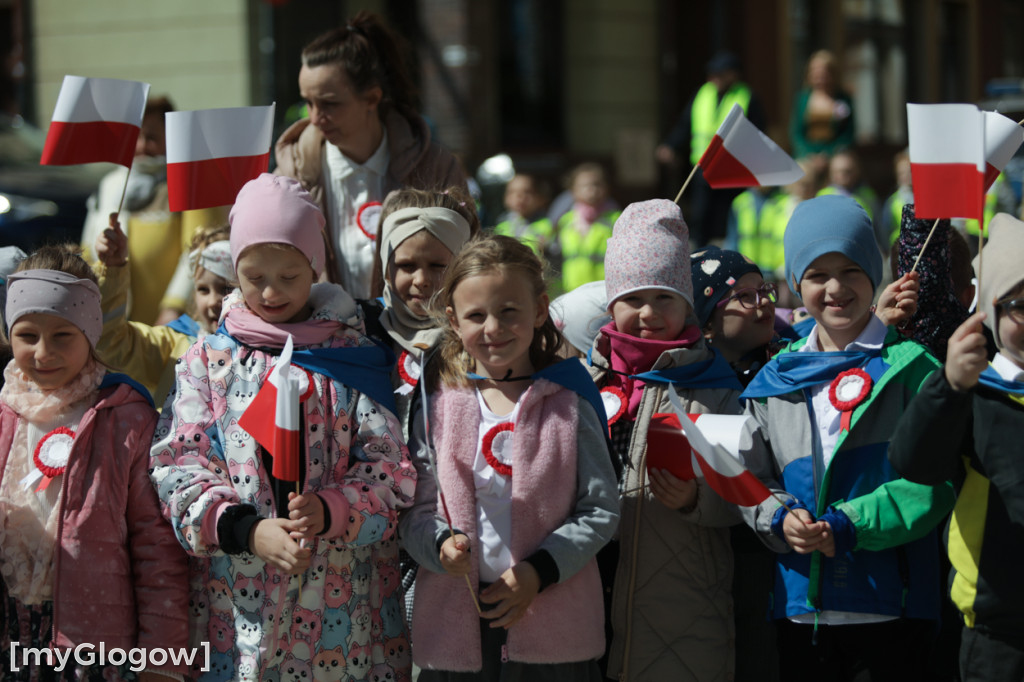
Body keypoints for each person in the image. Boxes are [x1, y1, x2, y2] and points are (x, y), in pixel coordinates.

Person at [150, 174, 416, 680]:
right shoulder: (208, 360)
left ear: (314, 266)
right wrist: (244, 530)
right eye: (253, 276)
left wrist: (331, 509)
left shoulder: (350, 356)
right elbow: (178, 463)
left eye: (289, 276)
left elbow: (391, 469)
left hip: (342, 616)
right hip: (237, 612)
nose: (270, 292)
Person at [738, 195, 954, 681]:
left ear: (873, 275)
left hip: (891, 607)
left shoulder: (914, 370)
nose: (835, 288)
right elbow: (748, 474)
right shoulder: (777, 376)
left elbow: (937, 480)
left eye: (851, 271)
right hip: (801, 608)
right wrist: (778, 516)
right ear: (795, 283)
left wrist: (852, 523)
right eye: (817, 275)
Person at [400, 235, 619, 680]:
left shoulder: (569, 401)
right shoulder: (438, 404)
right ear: (453, 321)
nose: (493, 328)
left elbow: (600, 508)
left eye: (509, 311)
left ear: (539, 310)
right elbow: (415, 509)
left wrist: (540, 571)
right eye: (476, 315)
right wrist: (439, 546)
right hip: (455, 632)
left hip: (553, 634)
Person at [0, 246, 188, 681]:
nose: (43, 352)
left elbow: (157, 548)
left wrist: (164, 662)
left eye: (62, 335)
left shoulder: (129, 419)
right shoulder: (4, 416)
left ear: (91, 331)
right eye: (27, 335)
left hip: (94, 650)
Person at [586, 200, 744, 681]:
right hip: (591, 588)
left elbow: (746, 493)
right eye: (634, 299)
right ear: (612, 303)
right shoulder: (586, 380)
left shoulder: (714, 385)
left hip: (681, 603)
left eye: (665, 298)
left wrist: (700, 499)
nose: (649, 313)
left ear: (688, 303)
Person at [888, 213, 1024, 682]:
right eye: (1019, 306)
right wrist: (949, 385)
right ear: (990, 311)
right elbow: (913, 461)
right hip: (998, 629)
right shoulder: (976, 392)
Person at [276, 11, 467, 298]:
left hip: (421, 340)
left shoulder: (436, 168)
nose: (315, 118)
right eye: (308, 102)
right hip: (323, 340)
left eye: (329, 104)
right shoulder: (290, 176)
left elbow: (464, 265)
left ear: (372, 99)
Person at [80, 95, 229, 326]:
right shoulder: (110, 184)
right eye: (135, 137)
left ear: (170, 138)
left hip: (171, 326)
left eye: (151, 137)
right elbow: (87, 247)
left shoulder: (189, 182)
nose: (141, 146)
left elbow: (200, 249)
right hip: (112, 323)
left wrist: (173, 306)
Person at [92, 220, 235, 406]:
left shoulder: (266, 350)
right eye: (203, 290)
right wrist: (112, 270)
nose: (213, 301)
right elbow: (113, 343)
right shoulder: (175, 342)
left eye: (226, 289)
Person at [656, 51, 767, 246]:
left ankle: (728, 252)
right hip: (702, 166)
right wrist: (671, 145)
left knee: (727, 215)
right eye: (712, 73)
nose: (713, 78)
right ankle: (701, 253)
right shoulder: (702, 94)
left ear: (733, 74)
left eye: (719, 73)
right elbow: (685, 125)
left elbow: (757, 134)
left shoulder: (747, 97)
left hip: (731, 169)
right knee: (701, 215)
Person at [553, 162, 620, 295]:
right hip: (571, 289)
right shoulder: (566, 220)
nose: (592, 190)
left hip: (605, 290)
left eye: (597, 184)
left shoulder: (616, 218)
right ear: (573, 190)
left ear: (606, 188)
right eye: (585, 186)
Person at [788, 50, 855, 167]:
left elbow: (848, 133)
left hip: (833, 157)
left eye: (824, 70)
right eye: (815, 70)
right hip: (807, 157)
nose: (819, 74)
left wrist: (829, 154)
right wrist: (809, 155)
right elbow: (796, 132)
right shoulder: (802, 99)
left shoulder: (843, 100)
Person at [492, 173, 555, 260]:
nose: (519, 197)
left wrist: (546, 248)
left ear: (541, 198)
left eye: (527, 192)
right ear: (505, 198)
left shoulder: (548, 225)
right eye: (512, 192)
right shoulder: (501, 226)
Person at [816, 150, 879, 227]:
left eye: (847, 171)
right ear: (831, 173)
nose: (842, 175)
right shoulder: (823, 195)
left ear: (857, 171)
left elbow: (877, 222)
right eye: (838, 171)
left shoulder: (867, 194)